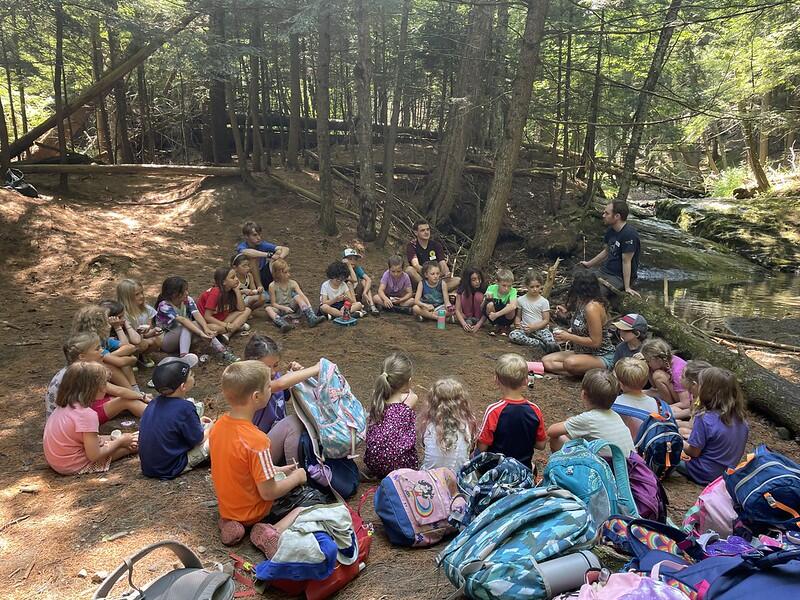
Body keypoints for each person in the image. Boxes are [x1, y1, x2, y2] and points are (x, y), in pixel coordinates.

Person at [210, 360, 310, 555]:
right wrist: (297, 476)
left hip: (229, 508)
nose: (271, 388)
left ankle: (230, 524)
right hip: (256, 512)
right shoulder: (257, 441)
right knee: (308, 505)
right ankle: (269, 530)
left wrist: (278, 470)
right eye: (268, 386)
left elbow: (240, 468)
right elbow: (269, 493)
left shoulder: (218, 426)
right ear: (256, 396)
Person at [43, 362, 138, 475]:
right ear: (92, 388)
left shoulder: (66, 404)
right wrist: (120, 441)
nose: (105, 388)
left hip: (57, 460)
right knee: (135, 445)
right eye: (104, 384)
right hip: (72, 464)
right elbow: (94, 455)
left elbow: (77, 436)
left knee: (119, 439)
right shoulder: (87, 415)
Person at [45, 332, 150, 423]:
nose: (102, 351)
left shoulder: (73, 369)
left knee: (123, 396)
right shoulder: (86, 372)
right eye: (97, 349)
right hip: (74, 420)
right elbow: (118, 391)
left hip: (64, 416)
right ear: (82, 356)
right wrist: (142, 396)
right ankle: (155, 416)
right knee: (125, 400)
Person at [139, 356, 213, 479]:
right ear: (183, 386)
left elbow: (171, 425)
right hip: (171, 467)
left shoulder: (153, 403)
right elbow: (199, 439)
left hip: (149, 467)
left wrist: (198, 422)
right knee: (217, 434)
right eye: (191, 375)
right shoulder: (186, 407)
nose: (193, 376)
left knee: (204, 428)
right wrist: (210, 428)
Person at [244, 334, 308, 466]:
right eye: (266, 367)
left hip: (275, 440)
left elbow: (285, 394)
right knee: (292, 422)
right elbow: (278, 385)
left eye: (276, 365)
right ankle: (293, 474)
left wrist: (294, 374)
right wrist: (316, 369)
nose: (272, 372)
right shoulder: (250, 383)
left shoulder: (276, 376)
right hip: (257, 451)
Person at [476, 353, 547, 471]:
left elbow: (482, 446)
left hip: (494, 472)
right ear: (526, 381)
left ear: (496, 380)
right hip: (522, 471)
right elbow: (541, 445)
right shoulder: (534, 410)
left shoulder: (494, 410)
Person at [680, 367, 749, 485]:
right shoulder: (742, 420)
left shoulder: (704, 418)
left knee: (666, 449)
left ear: (707, 391)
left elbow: (694, 452)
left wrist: (678, 440)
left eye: (700, 384)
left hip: (702, 472)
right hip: (725, 475)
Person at [542, 269, 616, 376]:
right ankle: (583, 370)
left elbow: (596, 342)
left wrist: (569, 337)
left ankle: (594, 372)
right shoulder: (581, 302)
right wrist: (567, 316)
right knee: (547, 362)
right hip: (581, 352)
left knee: (569, 363)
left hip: (600, 355)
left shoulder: (592, 307)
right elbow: (582, 324)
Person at [547, 369, 634, 455]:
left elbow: (551, 431)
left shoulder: (588, 419)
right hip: (625, 466)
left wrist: (571, 421)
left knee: (556, 439)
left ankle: (564, 467)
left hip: (605, 467)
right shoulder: (616, 416)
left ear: (584, 394)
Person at [155, 276, 237, 363]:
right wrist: (201, 333)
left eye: (187, 289)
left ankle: (222, 350)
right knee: (188, 325)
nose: (187, 293)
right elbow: (183, 320)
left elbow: (197, 314)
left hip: (184, 337)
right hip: (166, 341)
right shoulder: (164, 305)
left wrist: (206, 329)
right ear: (174, 294)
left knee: (196, 324)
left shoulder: (187, 300)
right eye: (184, 291)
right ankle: (184, 357)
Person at [364, 353, 419, 478]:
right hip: (401, 467)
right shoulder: (410, 400)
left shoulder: (377, 398)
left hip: (374, 463)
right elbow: (412, 395)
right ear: (408, 381)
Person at [580, 200, 641, 296]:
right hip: (605, 270)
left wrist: (627, 287)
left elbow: (626, 262)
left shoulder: (629, 235)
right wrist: (589, 264)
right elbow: (606, 251)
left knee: (596, 293)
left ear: (617, 216)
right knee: (580, 282)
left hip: (618, 277)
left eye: (607, 213)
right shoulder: (610, 230)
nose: (603, 215)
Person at [72, 304, 138, 392]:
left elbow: (130, 347)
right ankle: (133, 392)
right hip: (85, 376)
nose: (110, 325)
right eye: (107, 322)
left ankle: (134, 390)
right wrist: (132, 359)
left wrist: (110, 356)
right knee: (109, 365)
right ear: (97, 325)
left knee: (111, 360)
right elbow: (120, 362)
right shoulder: (90, 343)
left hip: (99, 372)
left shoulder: (102, 338)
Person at [418, 378, 475, 471]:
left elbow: (424, 446)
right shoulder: (468, 424)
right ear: (462, 402)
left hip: (430, 479)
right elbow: (470, 450)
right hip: (457, 479)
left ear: (433, 402)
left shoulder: (427, 425)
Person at [267, 258, 326, 331]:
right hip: (280, 308)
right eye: (285, 272)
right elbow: (273, 303)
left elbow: (302, 295)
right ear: (278, 273)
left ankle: (311, 317)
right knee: (268, 308)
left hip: (291, 307)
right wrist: (284, 308)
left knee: (297, 297)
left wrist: (309, 306)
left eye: (288, 272)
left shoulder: (292, 283)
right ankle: (282, 323)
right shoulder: (272, 286)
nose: (288, 274)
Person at [116, 278, 163, 367]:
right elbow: (124, 336)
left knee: (158, 340)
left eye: (142, 293)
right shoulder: (123, 314)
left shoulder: (147, 310)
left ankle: (142, 355)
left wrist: (153, 331)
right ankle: (131, 357)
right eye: (137, 294)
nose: (141, 296)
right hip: (127, 341)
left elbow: (147, 333)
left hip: (140, 337)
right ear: (127, 298)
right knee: (143, 343)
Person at [197, 267, 253, 339]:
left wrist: (237, 290)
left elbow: (241, 309)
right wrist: (225, 325)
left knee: (247, 310)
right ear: (224, 282)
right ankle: (236, 327)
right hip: (209, 323)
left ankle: (228, 334)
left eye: (236, 276)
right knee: (215, 328)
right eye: (233, 277)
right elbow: (207, 317)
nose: (236, 279)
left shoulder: (231, 290)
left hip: (223, 318)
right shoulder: (215, 292)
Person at [612, 356, 660, 440]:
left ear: (620, 383)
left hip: (631, 447)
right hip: (648, 445)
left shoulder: (616, 403)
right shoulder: (653, 402)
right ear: (645, 382)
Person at [405, 219, 460, 289]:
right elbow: (415, 265)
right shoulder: (412, 246)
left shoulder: (436, 245)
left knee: (458, 280)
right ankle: (430, 289)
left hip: (436, 278)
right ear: (416, 233)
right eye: (422, 230)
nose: (426, 232)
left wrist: (446, 272)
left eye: (428, 229)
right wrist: (429, 275)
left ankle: (434, 290)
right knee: (409, 270)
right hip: (422, 278)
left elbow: (442, 262)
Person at [509, 271, 556, 351]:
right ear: (526, 286)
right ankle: (538, 343)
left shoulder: (544, 302)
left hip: (540, 329)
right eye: (532, 287)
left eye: (537, 286)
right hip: (525, 329)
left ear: (541, 286)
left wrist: (534, 327)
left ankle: (548, 345)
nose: (535, 289)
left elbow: (546, 320)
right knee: (513, 335)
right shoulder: (521, 300)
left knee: (551, 343)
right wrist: (517, 323)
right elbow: (518, 316)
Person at [235, 221, 289, 290]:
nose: (259, 238)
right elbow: (246, 252)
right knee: (253, 258)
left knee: (278, 253)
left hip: (263, 274)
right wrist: (268, 255)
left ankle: (279, 285)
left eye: (259, 235)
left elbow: (285, 249)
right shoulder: (242, 246)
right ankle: (260, 287)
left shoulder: (262, 244)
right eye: (255, 235)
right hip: (248, 277)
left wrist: (279, 257)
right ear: (246, 236)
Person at [641, 338, 689, 407]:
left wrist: (666, 408)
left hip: (683, 399)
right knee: (638, 393)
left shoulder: (678, 371)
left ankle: (666, 404)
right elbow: (654, 386)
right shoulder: (663, 363)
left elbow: (685, 403)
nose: (647, 363)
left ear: (657, 359)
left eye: (648, 361)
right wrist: (648, 369)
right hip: (673, 393)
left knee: (658, 375)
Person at [676, 359, 712, 438]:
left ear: (693, 384)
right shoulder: (695, 394)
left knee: (681, 431)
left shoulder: (704, 400)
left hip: (701, 432)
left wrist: (670, 422)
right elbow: (690, 411)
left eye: (682, 376)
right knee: (675, 411)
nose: (679, 377)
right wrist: (672, 416)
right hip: (694, 425)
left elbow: (691, 425)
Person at [342, 247, 380, 316]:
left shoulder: (357, 268)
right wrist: (349, 266)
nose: (353, 261)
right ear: (344, 260)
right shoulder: (342, 269)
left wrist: (365, 292)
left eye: (355, 259)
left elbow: (368, 279)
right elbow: (353, 279)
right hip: (346, 295)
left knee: (364, 281)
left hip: (356, 292)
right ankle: (357, 307)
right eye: (350, 259)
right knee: (349, 283)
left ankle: (372, 306)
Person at [483, 268, 518, 333]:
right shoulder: (491, 288)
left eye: (509, 286)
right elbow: (482, 306)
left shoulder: (513, 291)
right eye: (504, 285)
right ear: (497, 282)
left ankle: (505, 325)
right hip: (493, 315)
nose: (506, 288)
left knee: (510, 307)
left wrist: (496, 314)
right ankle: (495, 325)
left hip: (504, 316)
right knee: (489, 304)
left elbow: (513, 306)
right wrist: (486, 299)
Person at [455, 266, 487, 333]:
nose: (477, 281)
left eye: (479, 278)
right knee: (466, 294)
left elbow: (486, 311)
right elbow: (457, 310)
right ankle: (469, 321)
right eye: (474, 280)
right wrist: (464, 324)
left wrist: (478, 325)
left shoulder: (485, 289)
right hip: (466, 317)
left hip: (479, 318)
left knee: (478, 296)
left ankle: (476, 320)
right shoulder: (462, 289)